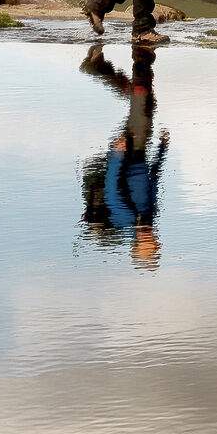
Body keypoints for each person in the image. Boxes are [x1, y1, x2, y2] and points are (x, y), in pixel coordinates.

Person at [78, 43, 165, 267]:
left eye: (150, 246)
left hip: (126, 153)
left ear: (137, 245)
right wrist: (163, 149)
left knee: (142, 102)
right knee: (145, 103)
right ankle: (108, 65)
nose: (154, 241)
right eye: (155, 245)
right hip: (140, 153)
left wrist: (116, 155)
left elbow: (112, 188)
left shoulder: (124, 219)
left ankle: (140, 55)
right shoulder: (149, 217)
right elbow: (153, 181)